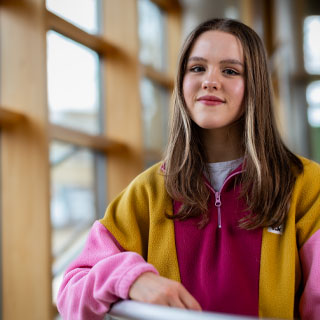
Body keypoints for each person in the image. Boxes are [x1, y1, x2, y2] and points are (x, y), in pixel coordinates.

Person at [57, 18, 320, 320]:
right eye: (197, 68)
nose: (210, 80)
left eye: (230, 71)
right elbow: (70, 293)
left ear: (255, 87)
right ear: (182, 83)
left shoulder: (308, 186)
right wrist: (130, 278)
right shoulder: (147, 192)